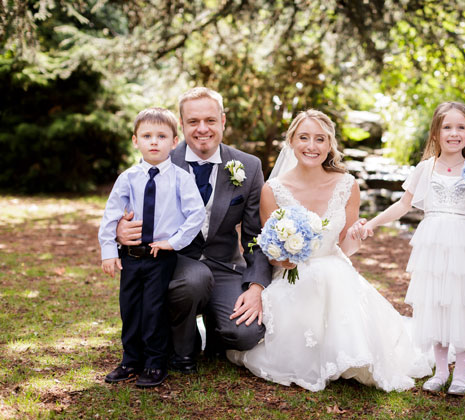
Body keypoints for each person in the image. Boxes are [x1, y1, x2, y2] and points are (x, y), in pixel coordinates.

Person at [226, 109, 432, 392]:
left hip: (336, 270)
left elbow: (345, 247)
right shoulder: (272, 189)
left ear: (330, 144)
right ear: (292, 142)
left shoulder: (347, 185)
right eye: (304, 138)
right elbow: (269, 249)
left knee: (331, 276)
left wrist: (357, 236)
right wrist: (284, 259)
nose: (312, 146)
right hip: (291, 275)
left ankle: (345, 354)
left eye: (320, 139)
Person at [116, 88, 272, 374]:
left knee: (245, 335)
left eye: (210, 120)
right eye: (193, 121)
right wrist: (120, 231)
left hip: (225, 266)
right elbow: (129, 209)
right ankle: (181, 343)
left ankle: (214, 326)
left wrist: (256, 286)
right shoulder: (159, 158)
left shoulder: (248, 166)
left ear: (223, 121)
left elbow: (256, 238)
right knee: (193, 279)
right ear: (182, 124)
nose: (202, 129)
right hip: (171, 263)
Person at [351, 101, 465, 396]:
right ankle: (441, 369)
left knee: (463, 302)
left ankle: (461, 373)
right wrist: (374, 223)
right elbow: (403, 204)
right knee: (436, 301)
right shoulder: (426, 168)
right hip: (433, 241)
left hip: (464, 242)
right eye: (447, 127)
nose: (454, 133)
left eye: (461, 127)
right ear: (436, 133)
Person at [98, 107, 206, 387]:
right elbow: (111, 214)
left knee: (154, 309)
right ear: (136, 140)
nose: (154, 141)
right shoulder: (128, 178)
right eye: (147, 136)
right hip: (131, 256)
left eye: (161, 136)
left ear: (174, 141)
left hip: (161, 256)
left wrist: (174, 241)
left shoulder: (181, 178)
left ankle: (155, 363)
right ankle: (130, 360)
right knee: (130, 308)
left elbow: (196, 214)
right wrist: (109, 251)